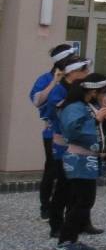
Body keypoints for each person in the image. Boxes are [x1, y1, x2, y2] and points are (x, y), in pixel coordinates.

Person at [53, 74, 106, 250]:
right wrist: (96, 119)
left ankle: (71, 239)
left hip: (88, 159)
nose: (104, 95)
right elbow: (73, 131)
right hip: (78, 159)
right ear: (94, 91)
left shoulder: (89, 106)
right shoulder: (74, 107)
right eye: (103, 92)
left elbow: (103, 130)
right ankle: (64, 241)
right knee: (83, 201)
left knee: (80, 201)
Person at [43, 56, 102, 240]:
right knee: (63, 186)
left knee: (81, 191)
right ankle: (57, 225)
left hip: (82, 145)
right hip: (64, 144)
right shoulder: (60, 89)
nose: (86, 74)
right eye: (83, 71)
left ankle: (80, 224)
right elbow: (56, 113)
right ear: (73, 72)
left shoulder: (81, 91)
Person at [30, 44, 76, 222]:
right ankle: (45, 206)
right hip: (52, 132)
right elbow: (37, 100)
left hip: (73, 133)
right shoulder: (45, 78)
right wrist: (54, 83)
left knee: (71, 174)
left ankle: (74, 213)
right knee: (52, 170)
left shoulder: (75, 79)